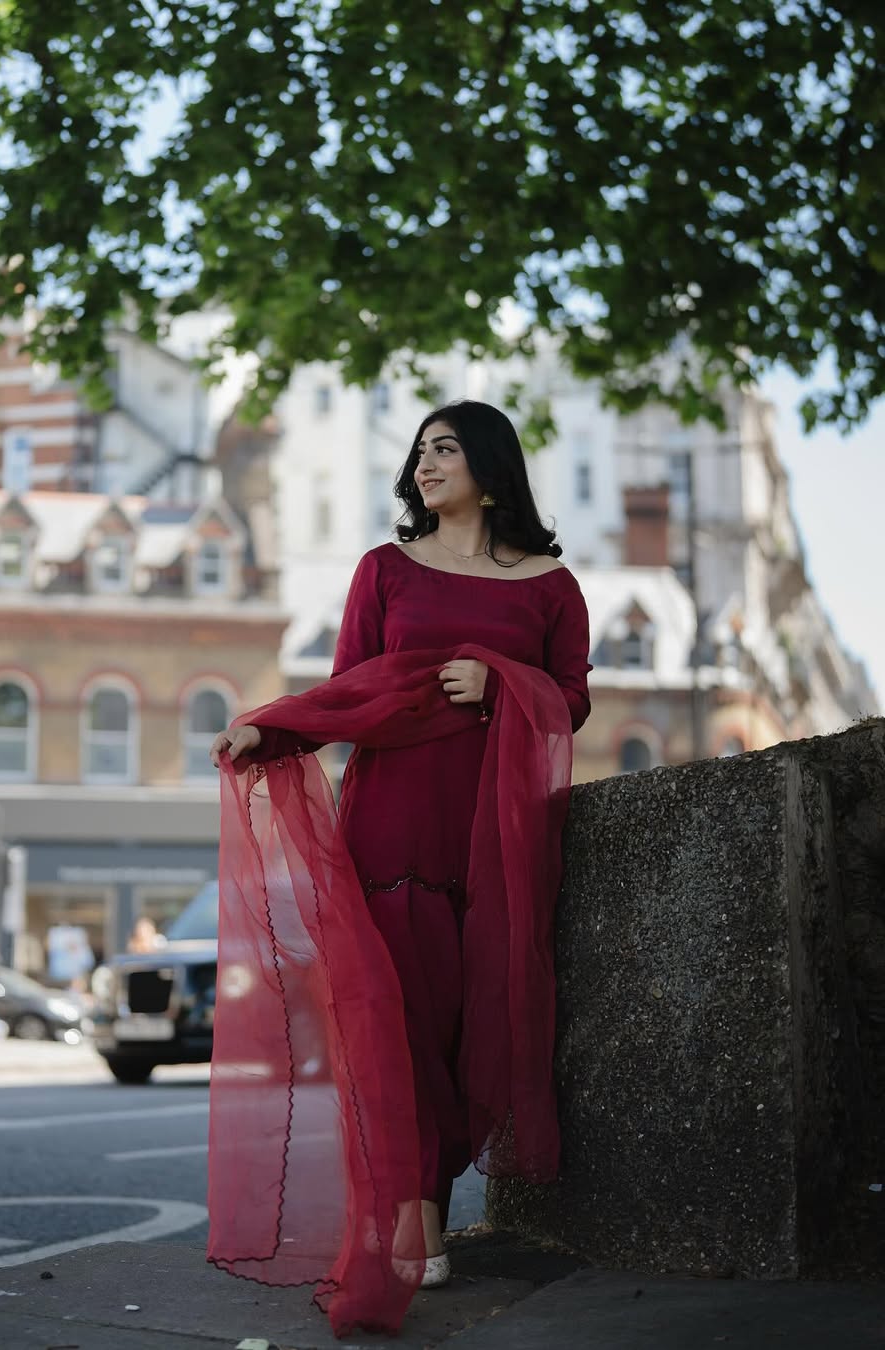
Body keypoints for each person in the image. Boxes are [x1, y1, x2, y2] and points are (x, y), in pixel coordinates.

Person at [206, 400, 591, 1335]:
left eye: (445, 449)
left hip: (494, 838)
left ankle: (427, 1205)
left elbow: (572, 700)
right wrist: (272, 728)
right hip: (391, 823)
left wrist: (502, 684)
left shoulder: (552, 587)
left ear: (491, 468)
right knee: (394, 1021)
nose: (425, 464)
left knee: (472, 1025)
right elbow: (354, 687)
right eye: (420, 451)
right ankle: (410, 1221)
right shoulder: (384, 569)